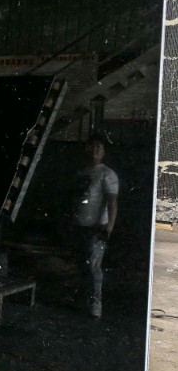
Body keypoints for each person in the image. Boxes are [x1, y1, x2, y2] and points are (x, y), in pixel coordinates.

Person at [73, 134, 119, 318]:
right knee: (81, 265)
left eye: (99, 147)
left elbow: (112, 202)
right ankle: (84, 300)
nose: (95, 150)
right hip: (79, 225)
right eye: (92, 146)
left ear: (104, 152)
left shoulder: (107, 174)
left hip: (97, 228)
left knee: (93, 266)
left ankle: (96, 305)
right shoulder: (81, 172)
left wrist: (109, 226)